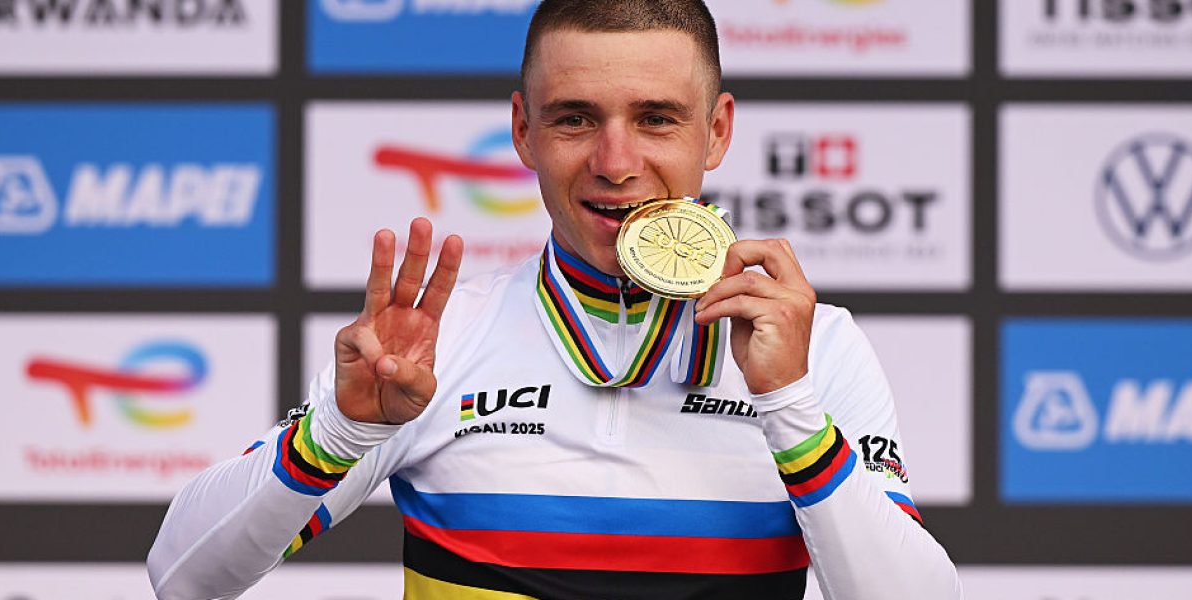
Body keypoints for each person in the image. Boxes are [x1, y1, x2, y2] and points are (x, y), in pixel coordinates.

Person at [147, 1, 962, 598]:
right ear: (522, 129)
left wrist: (787, 407)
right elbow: (182, 574)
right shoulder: (438, 341)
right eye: (576, 119)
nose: (615, 162)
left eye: (656, 119)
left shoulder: (814, 347)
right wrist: (340, 430)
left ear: (716, 131)